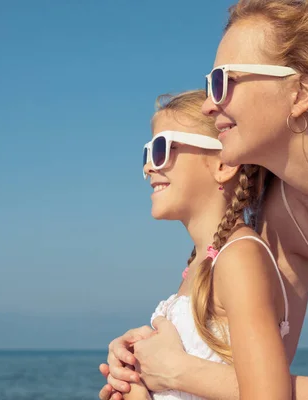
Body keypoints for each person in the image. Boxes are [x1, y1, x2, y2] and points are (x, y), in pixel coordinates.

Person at [100, 1, 308, 399]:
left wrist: (175, 371)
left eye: (223, 81)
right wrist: (142, 360)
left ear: (301, 92)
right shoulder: (284, 211)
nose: (208, 103)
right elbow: (248, 370)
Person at [122, 89, 295, 400]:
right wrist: (135, 377)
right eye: (147, 154)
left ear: (222, 165)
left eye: (162, 149)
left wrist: (171, 368)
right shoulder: (202, 263)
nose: (149, 167)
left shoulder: (239, 258)